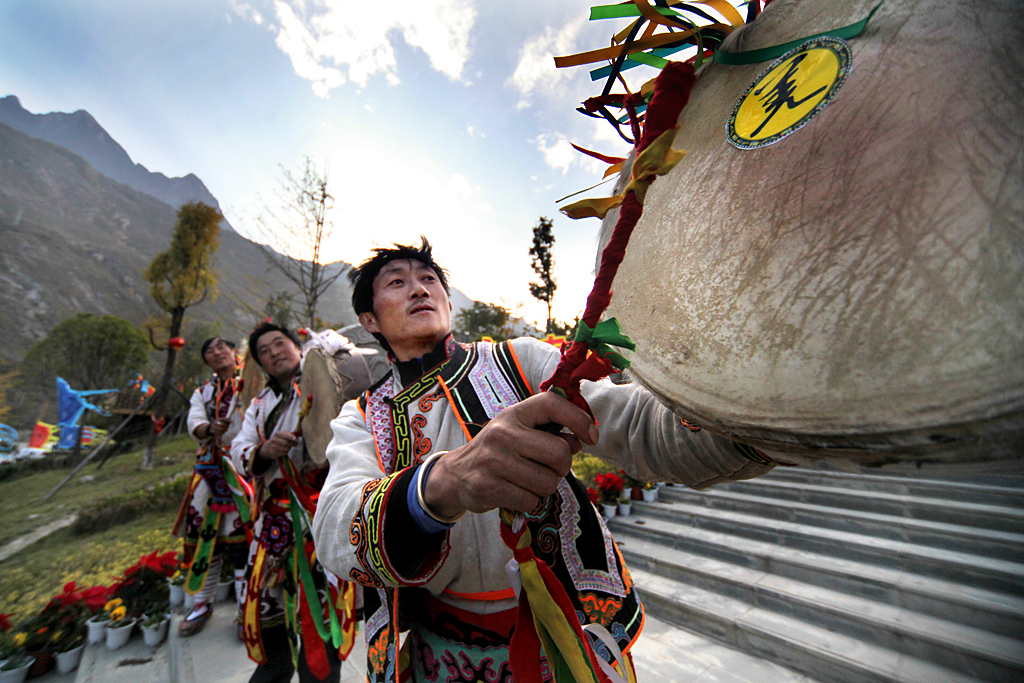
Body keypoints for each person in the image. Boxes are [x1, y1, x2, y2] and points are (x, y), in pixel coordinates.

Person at [311, 238, 777, 683]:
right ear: (369, 320)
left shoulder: (520, 361)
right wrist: (447, 481)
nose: (419, 288)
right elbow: (335, 526)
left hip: (568, 640)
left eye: (430, 279)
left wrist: (758, 418)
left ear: (448, 303)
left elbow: (638, 425)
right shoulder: (362, 418)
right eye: (396, 282)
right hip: (441, 654)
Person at [230, 323, 355, 683]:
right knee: (268, 624)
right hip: (273, 527)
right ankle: (274, 667)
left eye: (279, 343)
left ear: (296, 346)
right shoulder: (259, 406)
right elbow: (238, 450)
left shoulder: (324, 379)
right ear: (261, 364)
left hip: (319, 523)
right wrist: (263, 450)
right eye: (264, 351)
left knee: (320, 626)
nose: (274, 352)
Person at [173, 336, 250, 637]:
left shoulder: (251, 383)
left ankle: (248, 609)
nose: (217, 353)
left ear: (235, 353)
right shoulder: (202, 392)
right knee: (205, 539)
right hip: (209, 475)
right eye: (210, 350)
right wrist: (207, 428)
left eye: (222, 348)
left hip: (244, 472)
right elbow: (195, 420)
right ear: (206, 361)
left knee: (242, 542)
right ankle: (201, 604)